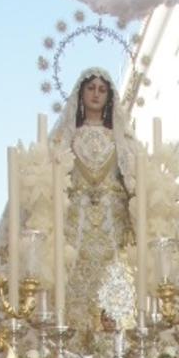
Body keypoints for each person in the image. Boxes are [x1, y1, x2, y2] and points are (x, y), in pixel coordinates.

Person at [49, 69, 137, 338]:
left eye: (102, 89)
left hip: (114, 224)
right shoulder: (66, 137)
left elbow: (133, 178)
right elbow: (53, 177)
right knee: (73, 280)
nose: (96, 94)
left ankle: (117, 346)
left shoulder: (120, 139)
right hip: (76, 224)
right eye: (91, 88)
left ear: (109, 96)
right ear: (81, 94)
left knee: (116, 280)